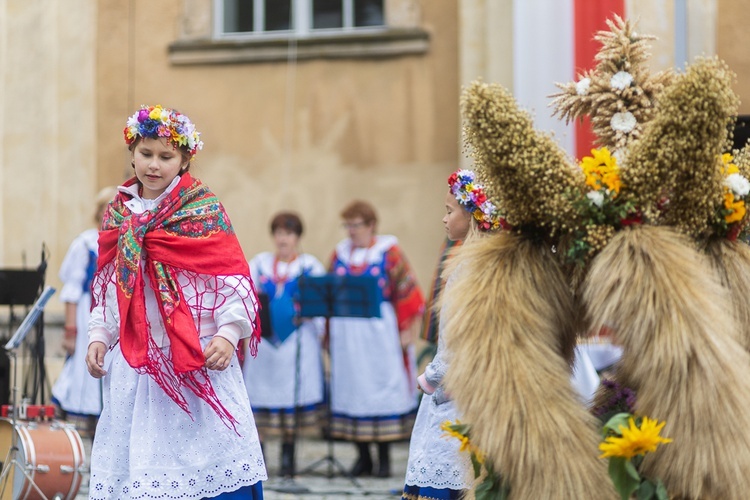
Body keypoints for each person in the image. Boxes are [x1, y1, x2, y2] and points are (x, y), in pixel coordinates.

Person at [85, 104, 266, 499]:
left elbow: (229, 275)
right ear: (132, 153)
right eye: (146, 153)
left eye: (166, 156)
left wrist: (228, 331)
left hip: (197, 359)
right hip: (140, 366)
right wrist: (100, 334)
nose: (154, 165)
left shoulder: (202, 209)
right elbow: (113, 283)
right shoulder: (118, 214)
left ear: (184, 159)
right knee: (145, 473)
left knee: (205, 467)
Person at [402, 169, 502, 500]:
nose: (444, 219)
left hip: (458, 391)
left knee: (449, 466)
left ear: (472, 214)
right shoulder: (477, 261)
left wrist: (431, 377)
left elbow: (460, 340)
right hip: (468, 388)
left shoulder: (472, 268)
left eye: (449, 211)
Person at [328, 200, 425, 478]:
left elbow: (407, 289)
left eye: (356, 225)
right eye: (347, 225)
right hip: (347, 334)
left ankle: (383, 461)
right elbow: (328, 291)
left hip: (379, 334)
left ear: (371, 225)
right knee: (353, 389)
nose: (350, 231)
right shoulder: (340, 254)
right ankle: (363, 458)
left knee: (380, 388)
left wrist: (407, 330)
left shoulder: (389, 252)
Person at [242, 211, 325, 478]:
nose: (283, 239)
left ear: (297, 236)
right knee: (260, 399)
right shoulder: (259, 264)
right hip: (265, 345)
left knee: (292, 399)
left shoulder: (309, 266)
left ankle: (288, 457)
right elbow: (245, 298)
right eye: (278, 233)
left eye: (288, 233)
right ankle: (260, 457)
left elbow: (321, 307)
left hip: (296, 343)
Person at [51, 186, 117, 438]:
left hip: (113, 318)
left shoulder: (126, 242)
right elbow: (71, 290)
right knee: (84, 370)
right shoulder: (86, 243)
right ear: (99, 212)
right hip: (88, 316)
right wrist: (70, 331)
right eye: (107, 208)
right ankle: (81, 430)